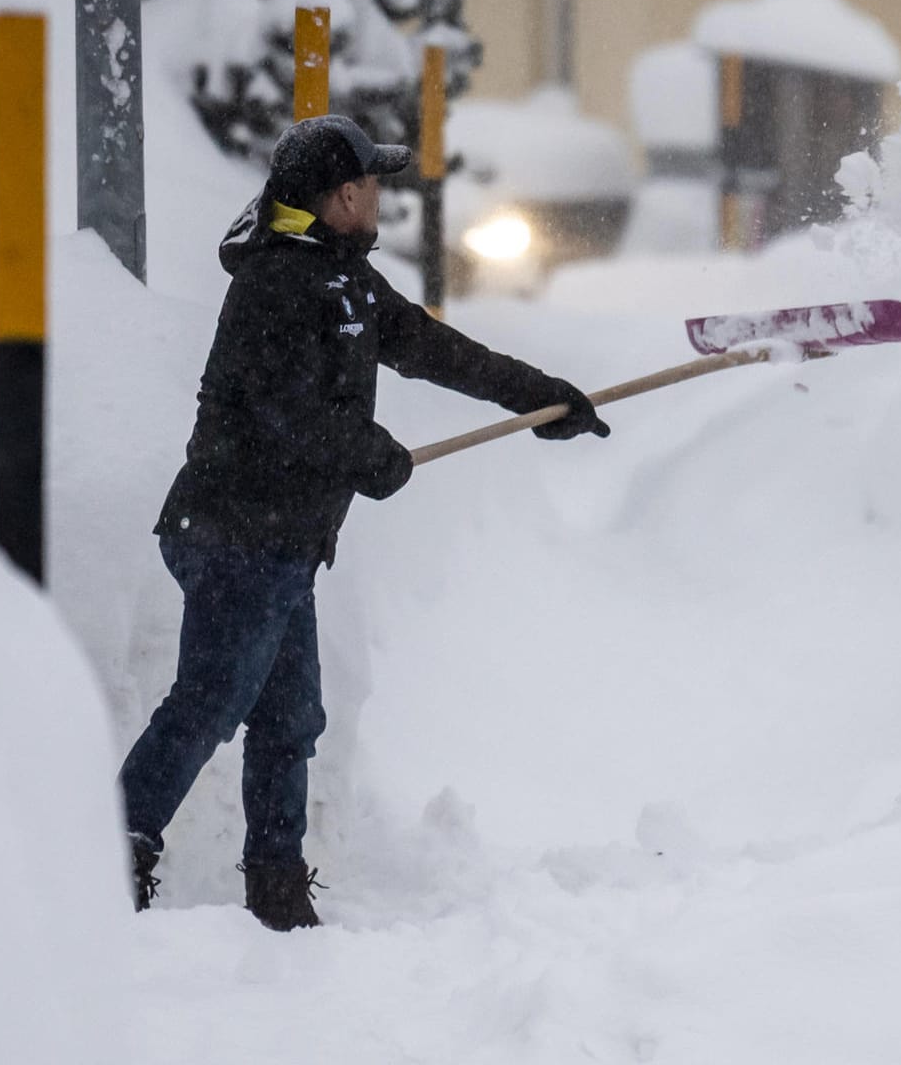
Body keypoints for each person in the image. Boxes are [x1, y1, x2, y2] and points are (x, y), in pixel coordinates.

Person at [117, 115, 608, 931]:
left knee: (289, 718)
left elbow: (435, 351)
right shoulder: (276, 283)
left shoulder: (346, 280)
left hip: (282, 542)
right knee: (211, 702)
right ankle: (108, 853)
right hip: (233, 530)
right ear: (344, 195)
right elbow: (285, 417)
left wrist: (541, 398)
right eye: (373, 182)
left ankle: (275, 890)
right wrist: (370, 454)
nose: (381, 194)